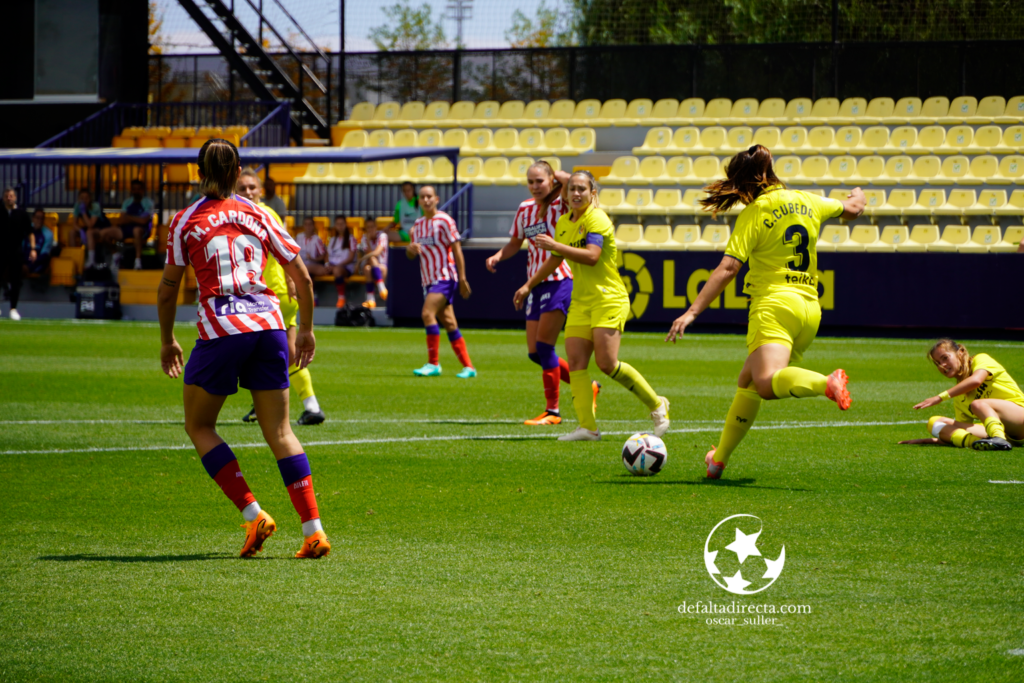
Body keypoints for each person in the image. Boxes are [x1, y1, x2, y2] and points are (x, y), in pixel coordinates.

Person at [157, 139, 329, 559]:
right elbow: (303, 280)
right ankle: (314, 532)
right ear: (238, 174)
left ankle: (254, 514)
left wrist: (167, 340)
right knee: (282, 432)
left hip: (221, 331)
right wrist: (305, 329)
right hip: (269, 326)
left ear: (198, 172)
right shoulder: (258, 212)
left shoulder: (184, 221)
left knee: (199, 426)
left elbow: (168, 288)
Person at [664, 144, 864, 479]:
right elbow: (853, 209)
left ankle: (825, 384)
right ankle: (718, 459)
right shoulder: (808, 200)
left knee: (767, 383)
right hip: (810, 310)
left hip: (774, 305)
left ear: (746, 185)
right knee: (749, 382)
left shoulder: (755, 213)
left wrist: (692, 312)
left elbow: (728, 269)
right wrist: (858, 193)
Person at [515, 171, 669, 442]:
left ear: (592, 193)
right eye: (572, 189)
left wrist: (555, 244)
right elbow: (554, 260)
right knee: (575, 362)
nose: (575, 193)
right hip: (581, 301)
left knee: (607, 363)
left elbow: (592, 256)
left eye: (582, 189)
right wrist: (529, 285)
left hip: (608, 298)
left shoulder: (596, 218)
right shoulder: (563, 223)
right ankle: (588, 427)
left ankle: (657, 405)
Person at [487, 161, 600, 426]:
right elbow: (516, 243)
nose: (536, 186)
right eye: (531, 182)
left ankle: (553, 412)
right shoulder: (525, 209)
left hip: (560, 279)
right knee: (534, 353)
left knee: (544, 345)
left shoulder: (563, 204)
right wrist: (497, 256)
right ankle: (587, 386)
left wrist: (557, 179)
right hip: (535, 283)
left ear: (552, 181)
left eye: (541, 181)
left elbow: (572, 179)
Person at [235, 168, 326, 427]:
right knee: (276, 352)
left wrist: (289, 281)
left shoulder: (265, 213)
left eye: (252, 187)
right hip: (262, 294)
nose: (249, 192)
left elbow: (287, 252)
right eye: (243, 189)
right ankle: (271, 403)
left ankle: (305, 404)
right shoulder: (239, 214)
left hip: (271, 294)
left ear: (261, 191)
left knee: (274, 352)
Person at [899, 339, 1024, 451]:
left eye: (945, 358)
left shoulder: (980, 359)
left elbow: (976, 381)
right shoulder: (959, 398)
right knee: (935, 422)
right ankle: (981, 443)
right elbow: (961, 431)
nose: (942, 366)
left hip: (1020, 419)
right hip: (1007, 434)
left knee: (979, 404)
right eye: (938, 363)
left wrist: (939, 397)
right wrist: (930, 441)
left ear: (961, 352)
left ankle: (998, 439)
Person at [406, 185, 476, 378]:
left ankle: (433, 363)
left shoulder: (445, 221)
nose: (426, 200)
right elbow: (412, 254)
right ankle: (469, 367)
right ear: (418, 201)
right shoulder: (417, 226)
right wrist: (409, 250)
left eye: (429, 196)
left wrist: (462, 278)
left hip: (445, 276)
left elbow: (457, 249)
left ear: (436, 199)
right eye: (422, 197)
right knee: (449, 322)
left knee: (427, 314)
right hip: (428, 280)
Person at [1, 187, 31, 321]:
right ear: (3, 198)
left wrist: (34, 249)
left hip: (16, 250)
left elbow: (29, 232)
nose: (9, 198)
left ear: (15, 198)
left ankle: (13, 309)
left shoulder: (22, 214)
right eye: (7, 196)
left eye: (11, 196)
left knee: (16, 280)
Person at [116, 179, 156, 270]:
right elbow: (121, 220)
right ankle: (115, 255)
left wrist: (129, 217)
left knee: (136, 230)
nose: (136, 191)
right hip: (126, 229)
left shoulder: (148, 203)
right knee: (106, 232)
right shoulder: (127, 202)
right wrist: (136, 218)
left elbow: (143, 221)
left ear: (142, 190)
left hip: (143, 229)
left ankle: (137, 261)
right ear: (131, 190)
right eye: (134, 189)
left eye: (138, 189)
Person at [357, 216, 389, 309]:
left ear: (376, 227)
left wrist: (360, 260)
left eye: (372, 227)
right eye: (368, 227)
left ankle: (370, 298)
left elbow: (376, 252)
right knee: (367, 267)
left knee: (371, 262)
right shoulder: (364, 238)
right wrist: (367, 240)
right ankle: (381, 289)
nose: (371, 229)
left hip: (382, 265)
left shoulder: (382, 236)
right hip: (369, 264)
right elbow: (370, 254)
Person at [326, 215, 356, 309]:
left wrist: (337, 265)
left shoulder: (351, 239)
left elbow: (351, 258)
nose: (340, 226)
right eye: (338, 224)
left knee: (337, 271)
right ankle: (314, 296)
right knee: (312, 269)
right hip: (332, 266)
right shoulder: (332, 240)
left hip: (346, 267)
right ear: (335, 225)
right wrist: (327, 265)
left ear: (345, 225)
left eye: (342, 224)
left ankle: (341, 298)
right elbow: (327, 255)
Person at [75, 189, 106, 268]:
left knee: (89, 232)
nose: (84, 200)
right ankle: (76, 259)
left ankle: (91, 260)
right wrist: (80, 231)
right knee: (72, 232)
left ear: (90, 198)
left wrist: (83, 212)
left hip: (100, 227)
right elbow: (74, 224)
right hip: (88, 227)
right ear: (78, 199)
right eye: (82, 198)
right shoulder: (77, 206)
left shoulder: (95, 206)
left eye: (86, 198)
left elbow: (91, 225)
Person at [24, 207, 54, 275]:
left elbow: (44, 255)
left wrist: (29, 262)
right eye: (37, 218)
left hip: (37, 263)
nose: (40, 221)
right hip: (23, 261)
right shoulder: (25, 230)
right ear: (33, 218)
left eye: (42, 218)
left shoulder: (48, 234)